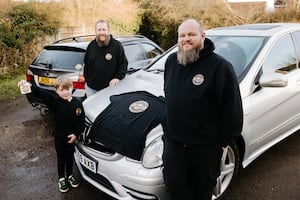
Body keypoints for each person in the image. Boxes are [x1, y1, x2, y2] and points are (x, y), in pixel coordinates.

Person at [162, 19, 243, 200]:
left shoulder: (220, 67)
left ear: (203, 36)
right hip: (174, 146)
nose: (186, 39)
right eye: (182, 35)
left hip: (204, 149)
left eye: (191, 34)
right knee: (174, 190)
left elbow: (233, 110)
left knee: (201, 193)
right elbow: (169, 97)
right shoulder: (171, 62)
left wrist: (223, 143)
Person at [18, 77, 85, 193]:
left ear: (72, 88)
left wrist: (76, 134)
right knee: (61, 158)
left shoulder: (77, 104)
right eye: (61, 90)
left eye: (67, 89)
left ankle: (69, 175)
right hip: (59, 137)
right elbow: (40, 93)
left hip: (72, 138)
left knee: (70, 158)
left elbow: (81, 121)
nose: (65, 92)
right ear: (56, 91)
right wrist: (28, 85)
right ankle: (61, 178)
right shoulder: (54, 102)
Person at [84, 19, 128, 97]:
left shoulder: (116, 46)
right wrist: (88, 80)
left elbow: (123, 64)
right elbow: (86, 64)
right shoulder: (91, 45)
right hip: (91, 89)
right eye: (99, 30)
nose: (101, 32)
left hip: (109, 89)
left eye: (104, 30)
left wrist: (117, 78)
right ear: (96, 32)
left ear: (108, 31)